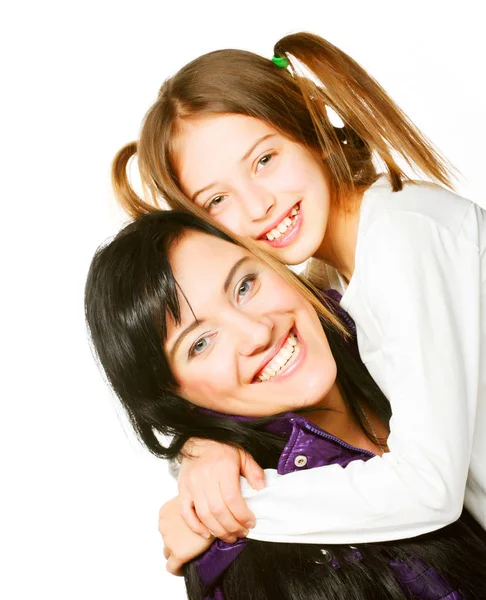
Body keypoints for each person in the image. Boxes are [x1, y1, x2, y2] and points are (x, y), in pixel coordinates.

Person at [111, 32, 486, 545]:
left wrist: (229, 512)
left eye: (264, 160)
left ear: (307, 124)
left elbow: (428, 486)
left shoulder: (402, 239)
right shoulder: (335, 276)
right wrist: (201, 450)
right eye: (217, 198)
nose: (258, 205)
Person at [85, 210, 486, 600]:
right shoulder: (249, 563)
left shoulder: (391, 313)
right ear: (175, 400)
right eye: (201, 343)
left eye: (244, 285)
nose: (257, 331)